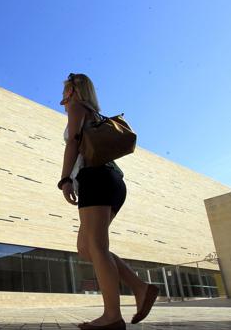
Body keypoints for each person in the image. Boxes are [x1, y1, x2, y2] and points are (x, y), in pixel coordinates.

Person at [58, 73, 159, 330]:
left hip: (95, 178)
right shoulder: (93, 112)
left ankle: (112, 316)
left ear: (73, 90)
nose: (63, 94)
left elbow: (74, 142)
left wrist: (65, 179)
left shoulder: (76, 107)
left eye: (65, 89)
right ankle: (140, 287)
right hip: (112, 180)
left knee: (97, 247)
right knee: (87, 247)